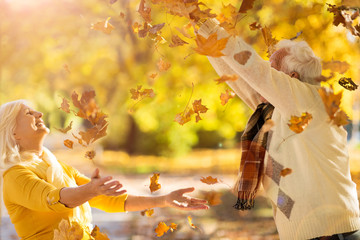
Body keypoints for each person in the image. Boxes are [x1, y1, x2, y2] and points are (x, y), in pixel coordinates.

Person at [198, 19, 360, 240]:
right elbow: (241, 77)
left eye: (272, 69)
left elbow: (255, 72)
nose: (265, 77)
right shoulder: (273, 113)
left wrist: (211, 27)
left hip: (332, 232)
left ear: (292, 79)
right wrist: (204, 31)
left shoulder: (310, 100)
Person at [0, 100, 208, 240]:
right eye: (28, 113)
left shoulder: (55, 165)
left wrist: (163, 200)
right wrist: (92, 190)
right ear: (14, 133)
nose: (39, 113)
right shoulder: (15, 175)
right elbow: (53, 200)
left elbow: (109, 200)